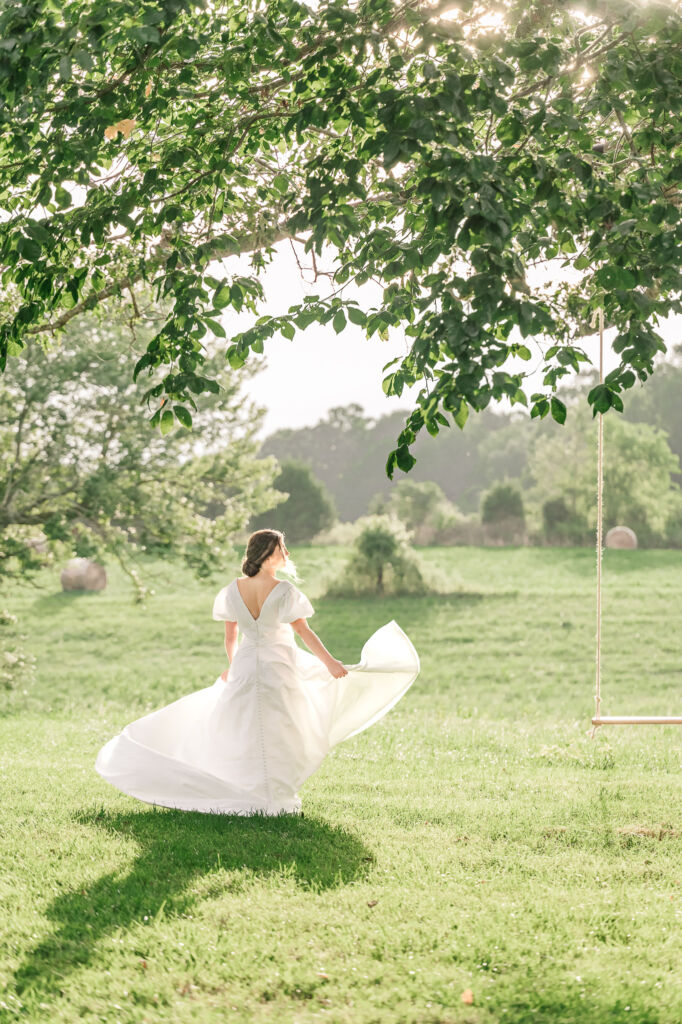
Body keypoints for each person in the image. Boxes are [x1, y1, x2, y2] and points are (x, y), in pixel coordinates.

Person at [95, 528, 420, 816]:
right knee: (281, 728)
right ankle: (271, 796)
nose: (286, 555)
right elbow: (305, 633)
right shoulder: (284, 592)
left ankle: (256, 790)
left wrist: (234, 665)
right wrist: (331, 663)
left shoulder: (232, 590)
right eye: (282, 549)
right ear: (267, 553)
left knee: (246, 727)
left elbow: (230, 637)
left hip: (248, 665)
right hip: (277, 665)